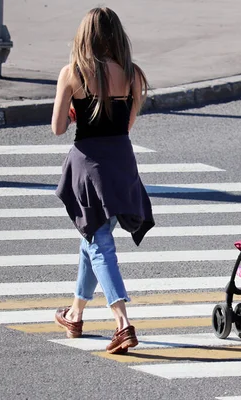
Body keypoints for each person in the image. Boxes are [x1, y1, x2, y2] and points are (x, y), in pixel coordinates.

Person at [51, 7, 155, 355]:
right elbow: (126, 126)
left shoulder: (73, 73)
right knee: (93, 238)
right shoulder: (133, 75)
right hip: (122, 163)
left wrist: (73, 110)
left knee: (99, 243)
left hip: (89, 165)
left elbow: (58, 128)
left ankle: (123, 324)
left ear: (85, 37)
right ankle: (75, 315)